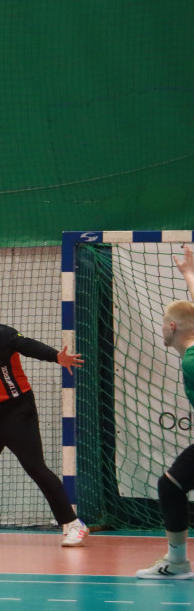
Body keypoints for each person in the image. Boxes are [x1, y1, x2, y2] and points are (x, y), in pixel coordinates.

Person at [0, 287, 88, 547]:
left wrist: (57, 357)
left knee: (35, 467)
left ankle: (73, 524)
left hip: (16, 410)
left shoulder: (1, 333)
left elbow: (27, 346)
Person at [136, 245, 194, 580]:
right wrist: (188, 275)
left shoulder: (191, 360)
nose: (161, 329)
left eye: (162, 323)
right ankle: (177, 564)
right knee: (171, 485)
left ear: (172, 327)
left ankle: (177, 564)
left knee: (170, 485)